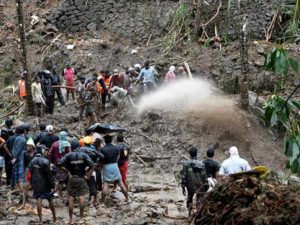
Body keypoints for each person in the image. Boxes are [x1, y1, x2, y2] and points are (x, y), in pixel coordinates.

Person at [60, 140, 94, 225]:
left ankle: (71, 219)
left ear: (71, 147)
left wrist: (67, 171)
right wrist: (88, 175)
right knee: (81, 197)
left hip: (72, 178)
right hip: (81, 178)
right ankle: (81, 218)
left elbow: (59, 163)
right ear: (79, 147)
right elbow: (92, 165)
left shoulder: (68, 155)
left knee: (71, 198)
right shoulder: (84, 155)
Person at [29, 153, 56, 224]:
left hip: (36, 182)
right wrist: (52, 185)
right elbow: (49, 175)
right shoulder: (45, 161)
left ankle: (40, 220)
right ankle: (54, 218)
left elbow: (30, 172)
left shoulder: (32, 161)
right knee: (50, 199)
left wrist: (31, 183)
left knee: (39, 198)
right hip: (45, 183)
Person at [100, 134, 128, 202]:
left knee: (106, 184)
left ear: (105, 141)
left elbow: (101, 159)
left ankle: (102, 201)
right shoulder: (116, 148)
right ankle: (128, 198)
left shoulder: (102, 149)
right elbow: (118, 157)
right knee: (121, 183)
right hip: (115, 166)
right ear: (111, 140)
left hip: (107, 167)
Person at [181, 147, 208, 216]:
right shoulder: (201, 164)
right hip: (200, 186)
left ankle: (190, 214)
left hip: (190, 186)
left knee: (189, 199)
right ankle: (199, 214)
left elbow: (184, 176)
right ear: (196, 154)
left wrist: (183, 186)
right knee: (200, 200)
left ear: (189, 154)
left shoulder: (186, 164)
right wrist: (206, 185)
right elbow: (204, 176)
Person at [79, 136, 104, 206]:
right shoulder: (92, 150)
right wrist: (97, 162)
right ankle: (94, 200)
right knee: (92, 184)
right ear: (91, 142)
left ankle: (86, 199)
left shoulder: (80, 149)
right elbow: (102, 156)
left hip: (82, 168)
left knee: (85, 184)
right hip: (92, 168)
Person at [48, 131, 71, 199]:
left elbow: (49, 154)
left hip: (57, 164)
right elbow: (69, 154)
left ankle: (60, 196)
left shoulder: (54, 144)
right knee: (67, 181)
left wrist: (52, 161)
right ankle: (67, 196)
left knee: (59, 180)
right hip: (65, 165)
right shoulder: (67, 144)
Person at [11, 125, 28, 209]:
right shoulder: (23, 139)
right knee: (21, 178)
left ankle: (21, 196)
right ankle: (23, 197)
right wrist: (16, 158)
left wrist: (13, 157)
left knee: (17, 177)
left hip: (16, 159)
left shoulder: (17, 138)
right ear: (24, 131)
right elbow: (19, 150)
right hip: (20, 160)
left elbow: (14, 150)